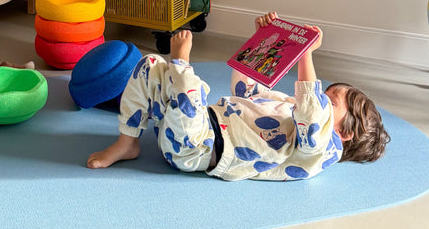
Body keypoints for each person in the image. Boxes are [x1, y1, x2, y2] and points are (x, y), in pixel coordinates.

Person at [86, 11, 389, 181]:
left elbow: (312, 118)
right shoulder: (289, 106)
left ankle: (181, 63)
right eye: (324, 94)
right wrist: (262, 40)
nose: (319, 96)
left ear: (344, 132)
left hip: (199, 148)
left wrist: (306, 54)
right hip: (189, 125)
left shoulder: (323, 149)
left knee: (187, 85)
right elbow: (247, 90)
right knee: (151, 64)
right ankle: (127, 143)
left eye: (330, 101)